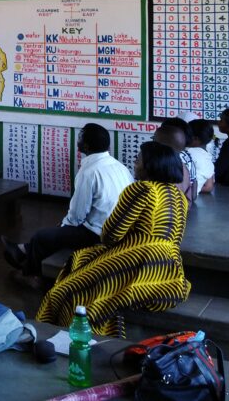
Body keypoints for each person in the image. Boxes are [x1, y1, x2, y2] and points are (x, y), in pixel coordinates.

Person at [36, 141, 191, 338]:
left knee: (65, 292)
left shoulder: (141, 190)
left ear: (151, 165)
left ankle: (58, 337)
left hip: (137, 263)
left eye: (139, 160)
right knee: (83, 259)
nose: (134, 164)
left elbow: (111, 235)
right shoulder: (179, 197)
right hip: (168, 271)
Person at [1, 123, 132, 287]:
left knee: (43, 236)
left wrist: (64, 226)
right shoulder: (120, 167)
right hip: (120, 228)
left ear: (86, 145)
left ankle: (31, 275)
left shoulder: (89, 172)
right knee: (55, 232)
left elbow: (77, 215)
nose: (77, 141)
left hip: (99, 234)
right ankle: (22, 250)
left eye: (79, 138)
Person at [154, 117, 197, 205]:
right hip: (185, 203)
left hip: (171, 206)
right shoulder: (187, 155)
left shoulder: (168, 159)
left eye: (155, 138)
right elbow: (193, 189)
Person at [187, 119, 216, 194]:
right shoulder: (208, 158)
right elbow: (208, 187)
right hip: (192, 196)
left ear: (195, 138)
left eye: (186, 134)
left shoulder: (189, 153)